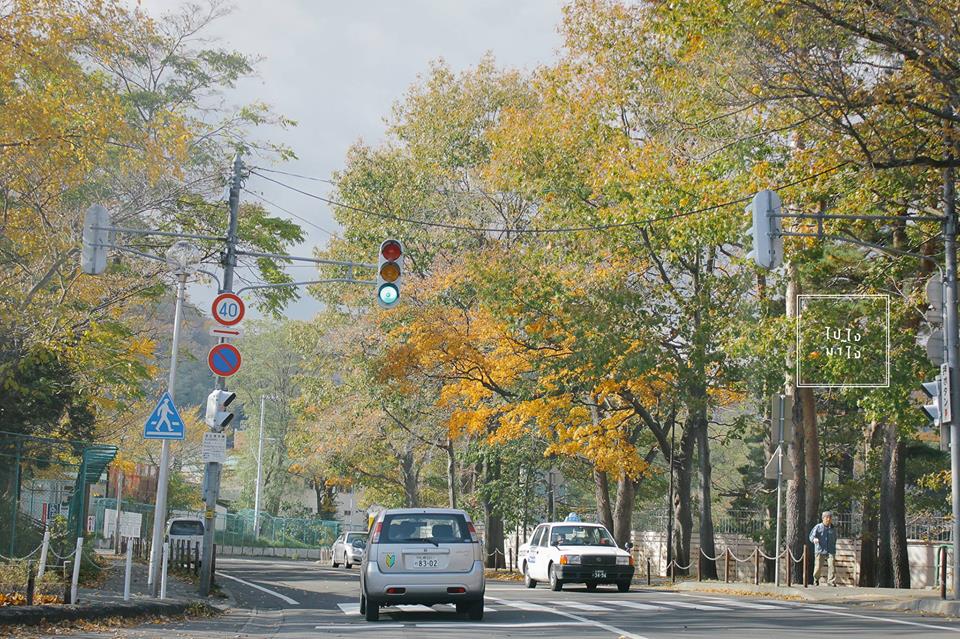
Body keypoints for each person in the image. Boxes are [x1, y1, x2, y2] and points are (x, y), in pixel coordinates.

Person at [809, 511, 837, 586]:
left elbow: (835, 538)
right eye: (827, 517)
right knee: (818, 566)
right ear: (823, 518)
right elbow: (811, 536)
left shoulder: (833, 528)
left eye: (830, 518)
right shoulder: (818, 527)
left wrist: (833, 546)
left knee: (832, 566)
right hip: (820, 550)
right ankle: (816, 580)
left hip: (831, 550)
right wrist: (814, 539)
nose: (829, 519)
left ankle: (831, 581)